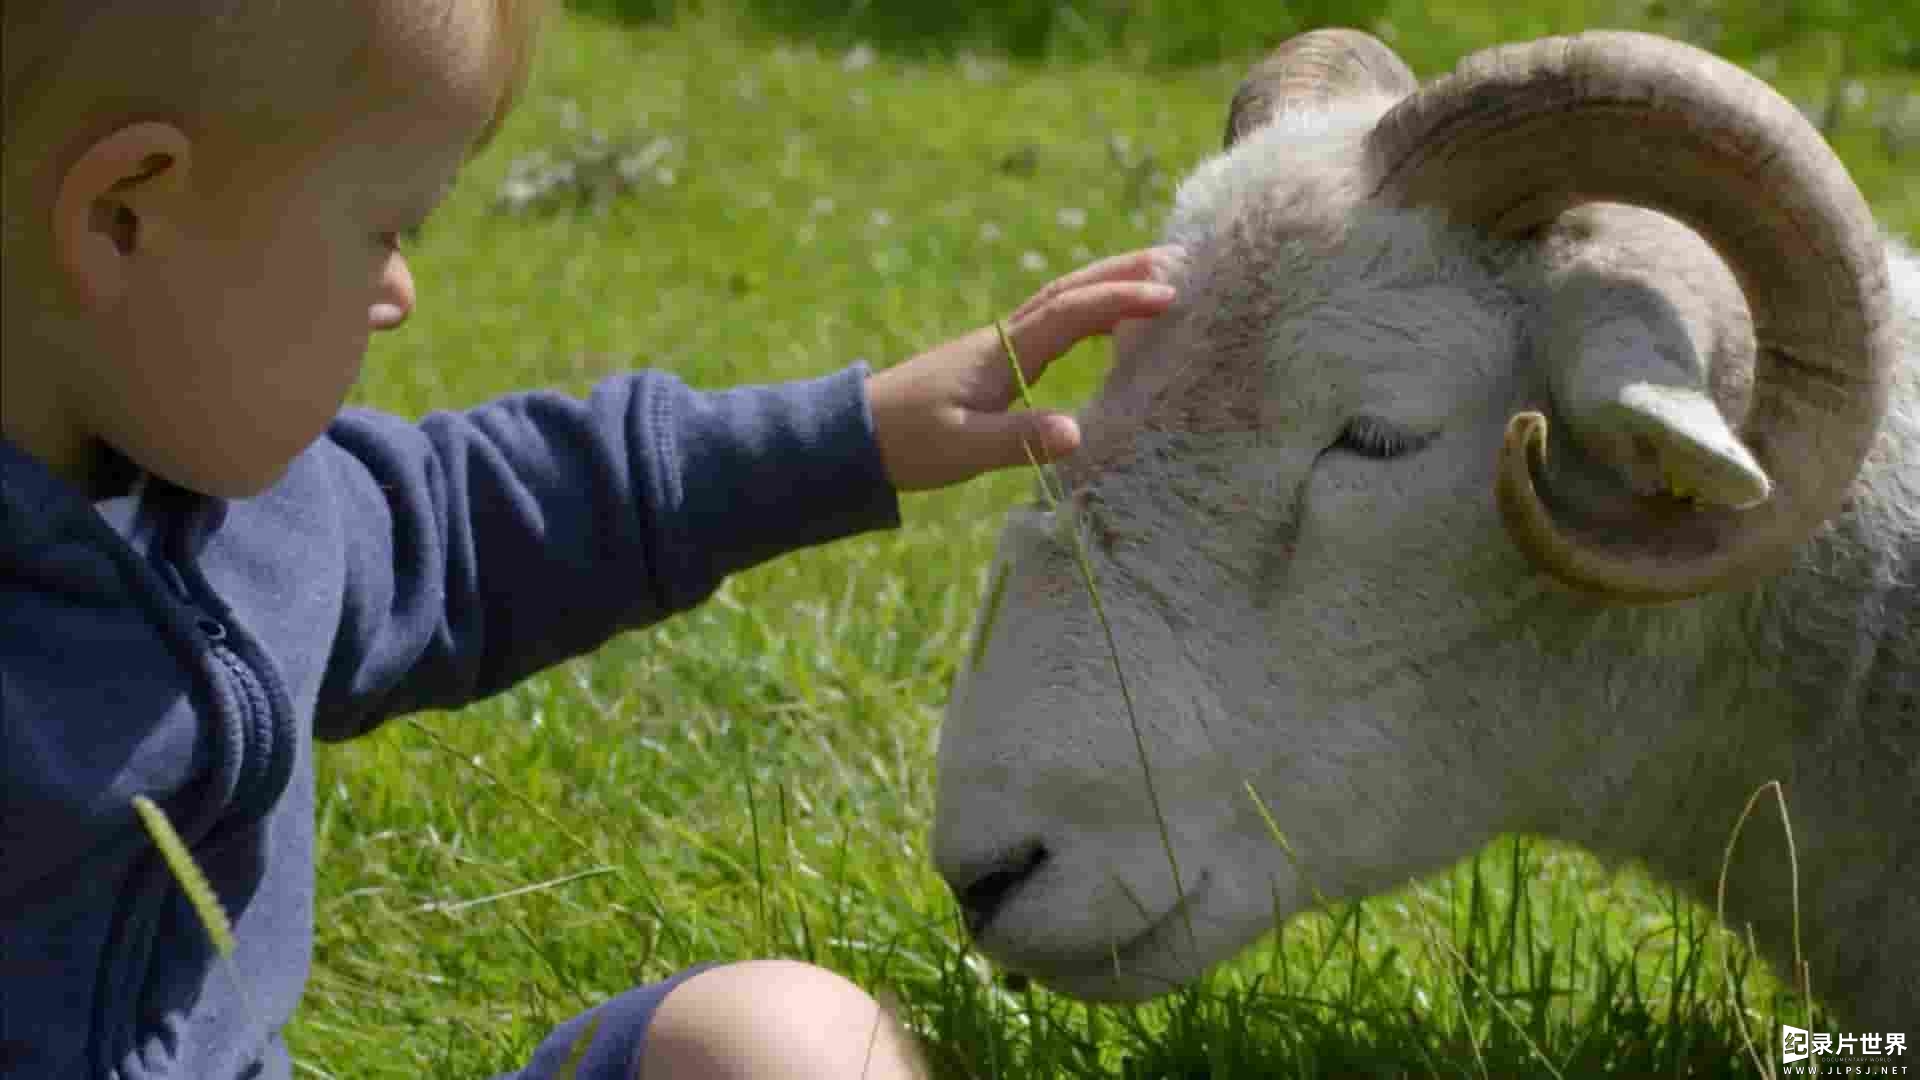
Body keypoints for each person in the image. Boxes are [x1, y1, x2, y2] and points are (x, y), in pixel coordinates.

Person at [0, 2, 1180, 1078]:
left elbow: (483, 525)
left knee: (790, 1045)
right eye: (385, 227)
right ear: (125, 216)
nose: (399, 291)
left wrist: (857, 437)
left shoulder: (257, 511)